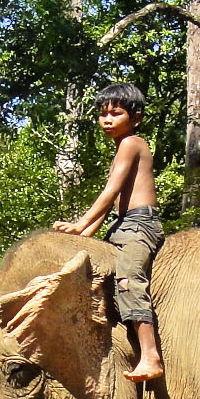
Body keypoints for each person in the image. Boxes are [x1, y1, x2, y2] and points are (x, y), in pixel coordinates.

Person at [53, 83, 165, 382]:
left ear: (136, 117)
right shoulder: (121, 148)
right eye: (103, 114)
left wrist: (79, 223)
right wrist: (83, 234)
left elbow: (111, 191)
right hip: (121, 224)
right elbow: (108, 209)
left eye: (115, 113)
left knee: (129, 279)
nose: (107, 119)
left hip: (139, 225)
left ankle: (150, 355)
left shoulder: (132, 143)